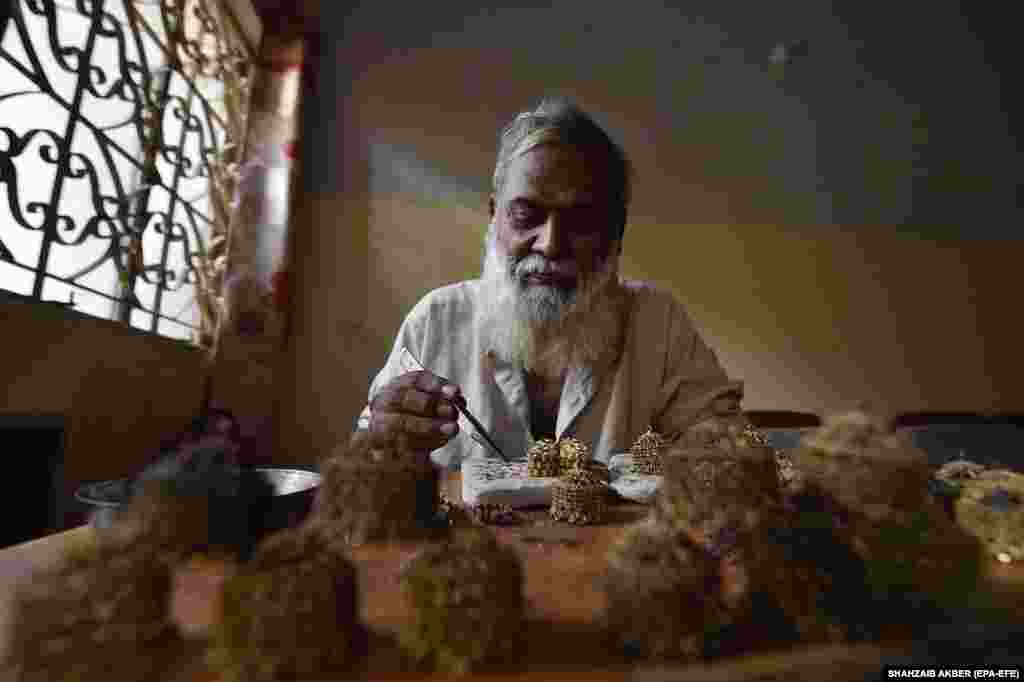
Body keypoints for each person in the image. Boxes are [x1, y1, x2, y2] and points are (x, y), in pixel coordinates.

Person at [354, 97, 743, 470]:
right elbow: (363, 470)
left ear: (616, 233)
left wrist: (709, 453)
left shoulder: (659, 326)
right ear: (495, 216)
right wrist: (381, 445)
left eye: (582, 222)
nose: (551, 244)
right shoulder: (435, 323)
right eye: (526, 215)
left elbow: (727, 452)